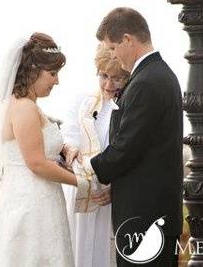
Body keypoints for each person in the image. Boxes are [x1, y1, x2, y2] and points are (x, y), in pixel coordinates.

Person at [0, 32, 87, 266]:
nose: (56, 81)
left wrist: (64, 149)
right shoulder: (24, 108)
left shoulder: (24, 106)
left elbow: (38, 148)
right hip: (30, 207)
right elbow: (36, 163)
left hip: (34, 201)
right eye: (52, 74)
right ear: (32, 71)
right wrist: (84, 182)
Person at [83, 7, 183, 266]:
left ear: (128, 39)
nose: (113, 55)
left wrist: (84, 170)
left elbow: (126, 147)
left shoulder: (146, 82)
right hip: (151, 215)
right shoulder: (157, 74)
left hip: (145, 218)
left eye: (113, 48)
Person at [60, 44, 130, 267]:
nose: (109, 84)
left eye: (117, 78)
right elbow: (69, 138)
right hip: (79, 190)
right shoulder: (80, 101)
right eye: (104, 76)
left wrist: (114, 190)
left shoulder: (128, 106)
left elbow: (129, 154)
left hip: (110, 198)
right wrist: (73, 156)